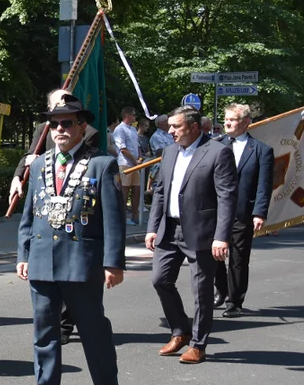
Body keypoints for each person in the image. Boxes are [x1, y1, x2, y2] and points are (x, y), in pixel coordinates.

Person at [15, 94, 125, 385]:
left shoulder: (102, 164)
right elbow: (30, 214)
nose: (59, 129)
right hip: (41, 261)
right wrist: (23, 253)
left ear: (82, 126)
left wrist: (113, 262)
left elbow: (114, 218)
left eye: (67, 123)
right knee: (44, 333)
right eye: (54, 124)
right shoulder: (37, 165)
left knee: (93, 331)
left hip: (81, 263)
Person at [145, 107, 236, 364]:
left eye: (177, 126)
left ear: (194, 127)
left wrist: (222, 236)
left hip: (202, 232)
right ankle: (180, 331)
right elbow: (160, 193)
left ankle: (198, 344)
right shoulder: (170, 151)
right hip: (169, 229)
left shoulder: (218, 152)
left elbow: (227, 196)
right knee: (160, 280)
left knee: (201, 290)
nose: (170, 131)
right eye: (170, 126)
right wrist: (153, 227)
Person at [213, 104, 274, 317]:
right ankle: (221, 290)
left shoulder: (261, 150)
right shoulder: (215, 145)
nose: (227, 123)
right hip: (215, 212)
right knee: (214, 256)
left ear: (246, 122)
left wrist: (259, 212)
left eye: (232, 119)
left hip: (242, 212)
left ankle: (234, 301)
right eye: (226, 119)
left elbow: (264, 185)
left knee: (238, 259)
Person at [113, 106, 143, 225]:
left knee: (137, 189)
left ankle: (135, 216)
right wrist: (135, 161)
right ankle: (122, 217)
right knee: (124, 190)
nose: (135, 117)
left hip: (135, 164)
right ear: (127, 115)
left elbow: (137, 146)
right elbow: (122, 149)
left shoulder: (133, 130)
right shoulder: (119, 129)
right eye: (133, 115)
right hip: (124, 164)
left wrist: (139, 158)